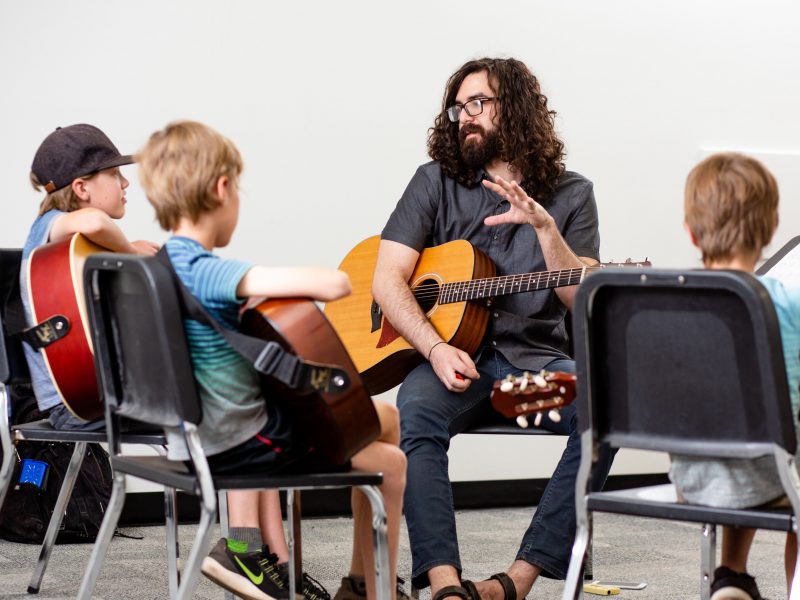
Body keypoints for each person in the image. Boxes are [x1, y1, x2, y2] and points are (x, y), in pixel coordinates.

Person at [371, 57, 614, 600]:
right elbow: (387, 280)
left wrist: (547, 231)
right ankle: (445, 584)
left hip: (522, 385)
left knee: (607, 411)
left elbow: (582, 299)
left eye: (478, 103)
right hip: (455, 367)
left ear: (517, 110)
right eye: (459, 107)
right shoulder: (434, 181)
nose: (465, 117)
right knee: (417, 415)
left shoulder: (572, 195)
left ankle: (516, 580)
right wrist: (433, 348)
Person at [136, 120, 408, 600]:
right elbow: (335, 285)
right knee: (391, 461)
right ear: (222, 188)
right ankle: (374, 590)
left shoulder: (153, 269)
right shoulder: (208, 270)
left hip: (192, 440)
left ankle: (357, 583)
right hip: (241, 446)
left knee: (384, 417)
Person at [670, 152, 800, 600]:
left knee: (740, 431)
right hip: (773, 475)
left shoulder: (663, 304)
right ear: (769, 231)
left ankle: (731, 574)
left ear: (690, 231)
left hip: (694, 478)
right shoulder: (786, 300)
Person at [20, 124, 159, 431]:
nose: (125, 183)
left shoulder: (76, 247)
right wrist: (130, 252)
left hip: (105, 395)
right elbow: (95, 222)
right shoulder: (48, 227)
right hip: (75, 404)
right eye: (114, 175)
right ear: (82, 188)